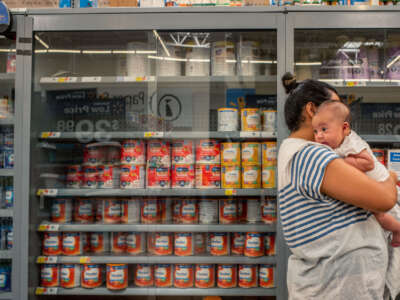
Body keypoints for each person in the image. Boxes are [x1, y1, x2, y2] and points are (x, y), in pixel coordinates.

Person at [278, 72, 399, 300]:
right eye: (333, 106)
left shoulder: (295, 153)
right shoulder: (310, 154)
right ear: (312, 110)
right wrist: (391, 179)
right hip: (338, 287)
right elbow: (385, 199)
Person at [312, 100, 400, 247]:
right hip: (374, 186)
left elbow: (368, 162)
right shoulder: (334, 145)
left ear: (344, 128)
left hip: (381, 184)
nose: (319, 136)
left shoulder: (351, 143)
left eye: (324, 130)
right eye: (315, 131)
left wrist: (343, 163)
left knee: (380, 215)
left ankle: (397, 230)